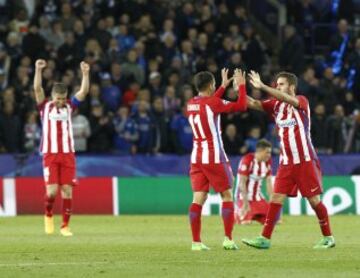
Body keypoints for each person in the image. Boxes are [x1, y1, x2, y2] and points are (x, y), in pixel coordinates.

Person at [242, 71, 335, 249]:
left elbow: (287, 99)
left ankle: (328, 237)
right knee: (276, 197)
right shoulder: (276, 106)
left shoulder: (301, 101)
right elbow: (253, 103)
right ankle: (265, 239)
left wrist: (262, 86)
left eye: (281, 84)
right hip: (286, 162)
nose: (278, 87)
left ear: (291, 87)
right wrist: (237, 89)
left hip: (304, 160)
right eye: (277, 84)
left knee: (314, 201)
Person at [187, 68, 247, 251]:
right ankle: (228, 239)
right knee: (227, 195)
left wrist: (222, 86)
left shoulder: (191, 103)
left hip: (197, 157)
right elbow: (241, 106)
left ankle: (196, 242)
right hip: (214, 156)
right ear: (210, 85)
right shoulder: (213, 103)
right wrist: (242, 87)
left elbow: (210, 103)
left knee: (198, 198)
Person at [34, 59, 90, 236]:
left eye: (63, 98)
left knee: (67, 190)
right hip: (50, 154)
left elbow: (84, 91)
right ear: (52, 97)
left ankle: (65, 226)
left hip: (67, 154)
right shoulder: (45, 107)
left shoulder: (69, 107)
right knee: (51, 192)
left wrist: (86, 74)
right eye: (58, 99)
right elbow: (37, 89)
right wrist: (38, 70)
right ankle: (48, 214)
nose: (61, 102)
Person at [234, 139, 274, 225]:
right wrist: (245, 203)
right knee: (246, 222)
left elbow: (269, 182)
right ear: (260, 151)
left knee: (271, 221)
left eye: (270, 153)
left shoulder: (267, 162)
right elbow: (242, 183)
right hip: (243, 197)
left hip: (257, 198)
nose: (269, 155)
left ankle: (254, 215)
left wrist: (272, 200)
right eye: (267, 152)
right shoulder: (247, 160)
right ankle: (238, 213)